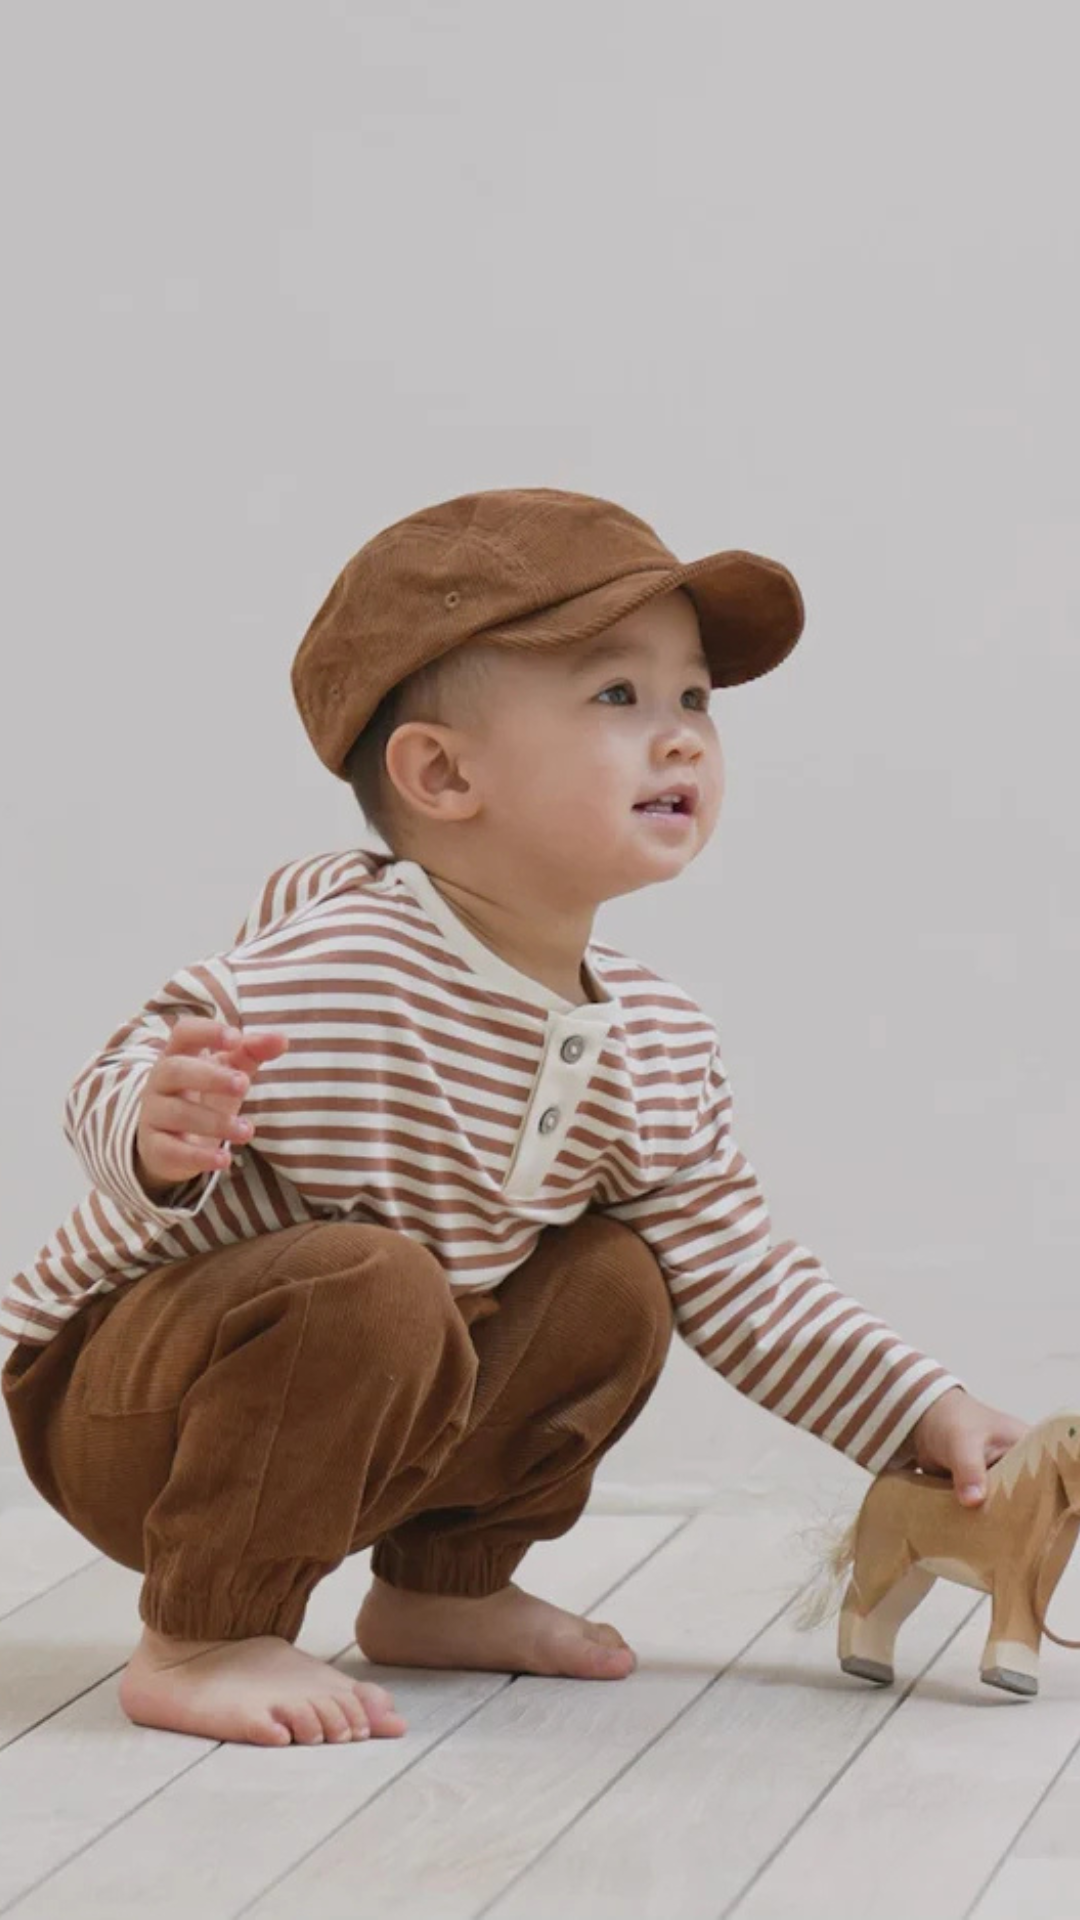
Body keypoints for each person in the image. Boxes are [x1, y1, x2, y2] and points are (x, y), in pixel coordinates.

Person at [1, 486, 1028, 1750]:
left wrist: (923, 1411)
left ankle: (444, 1589)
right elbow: (122, 1068)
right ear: (440, 773)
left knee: (618, 1279)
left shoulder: (653, 1035)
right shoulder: (345, 960)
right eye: (618, 698)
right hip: (128, 1404)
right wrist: (159, 1122)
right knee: (370, 1281)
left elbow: (746, 1279)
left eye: (695, 698)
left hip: (376, 1411)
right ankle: (205, 1631)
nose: (684, 740)